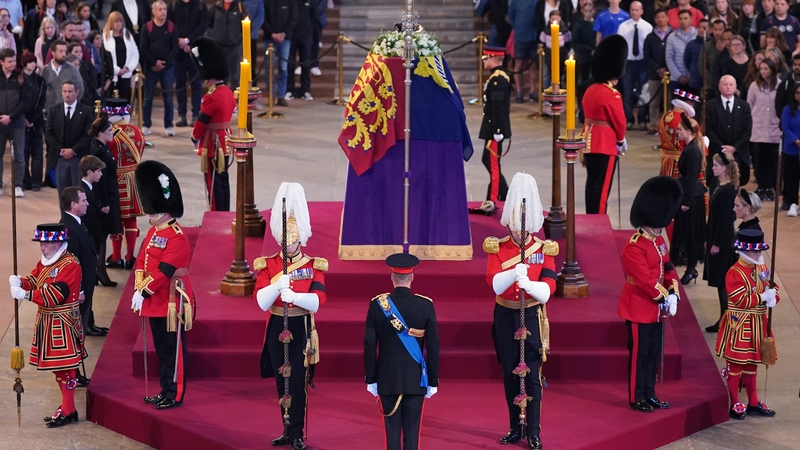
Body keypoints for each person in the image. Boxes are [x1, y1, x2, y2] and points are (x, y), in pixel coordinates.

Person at [484, 172, 557, 450]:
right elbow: (493, 283)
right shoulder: (498, 247)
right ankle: (516, 426)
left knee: (533, 377)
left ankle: (534, 430)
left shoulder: (544, 248)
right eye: (515, 228)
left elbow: (548, 289)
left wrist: (531, 284)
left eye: (522, 228)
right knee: (510, 374)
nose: (520, 233)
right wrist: (514, 273)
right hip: (506, 315)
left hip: (533, 316)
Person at [253, 182, 327, 450]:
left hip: (300, 324)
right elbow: (261, 302)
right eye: (286, 240)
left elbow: (318, 301)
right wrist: (276, 286)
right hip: (276, 325)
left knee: (297, 383)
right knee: (280, 380)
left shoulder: (312, 265)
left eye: (294, 240)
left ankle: (297, 431)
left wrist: (295, 297)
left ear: (301, 238)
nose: (290, 245)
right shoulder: (269, 264)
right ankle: (285, 428)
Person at [9, 223, 87, 428]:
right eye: (41, 243)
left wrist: (26, 295)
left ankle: (69, 410)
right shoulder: (48, 261)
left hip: (62, 322)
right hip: (48, 321)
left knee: (67, 369)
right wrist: (21, 282)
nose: (42, 247)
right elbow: (36, 279)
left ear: (58, 243)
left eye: (46, 243)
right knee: (58, 370)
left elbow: (56, 295)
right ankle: (67, 407)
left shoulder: (70, 264)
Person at [131, 159, 195, 410]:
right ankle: (164, 389)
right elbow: (141, 261)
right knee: (161, 350)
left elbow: (164, 271)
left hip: (170, 300)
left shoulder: (176, 237)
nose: (149, 215)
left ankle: (175, 393)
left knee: (173, 351)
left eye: (151, 211)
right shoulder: (155, 232)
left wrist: (143, 291)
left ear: (163, 211)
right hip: (154, 299)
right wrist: (138, 288)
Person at [618, 176, 682, 413]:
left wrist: (673, 291)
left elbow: (668, 267)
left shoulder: (658, 240)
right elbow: (645, 280)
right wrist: (666, 296)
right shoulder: (634, 245)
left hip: (657, 308)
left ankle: (649, 393)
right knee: (639, 353)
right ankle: (637, 396)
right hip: (639, 306)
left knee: (653, 352)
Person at [364, 252, 439, 450]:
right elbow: (433, 347)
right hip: (416, 379)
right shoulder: (425, 305)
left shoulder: (377, 305)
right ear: (412, 276)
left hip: (387, 377)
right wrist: (433, 381)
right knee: (412, 434)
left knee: (391, 433)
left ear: (391, 276)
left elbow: (369, 344)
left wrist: (371, 378)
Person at [714, 228, 778, 420]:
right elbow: (739, 299)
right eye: (755, 251)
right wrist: (762, 297)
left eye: (760, 251)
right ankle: (735, 402)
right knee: (735, 367)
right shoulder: (734, 272)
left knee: (752, 367)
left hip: (758, 323)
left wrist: (774, 296)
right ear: (744, 250)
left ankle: (753, 401)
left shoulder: (762, 268)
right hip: (740, 324)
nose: (759, 254)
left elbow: (770, 286)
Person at [581, 35, 627, 215]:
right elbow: (619, 122)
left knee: (592, 183)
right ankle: (599, 220)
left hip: (588, 141)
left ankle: (591, 217)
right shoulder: (611, 94)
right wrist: (621, 140)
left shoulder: (590, 89)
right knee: (602, 188)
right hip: (605, 143)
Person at [189, 37, 235, 211]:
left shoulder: (211, 96)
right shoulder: (228, 92)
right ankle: (224, 213)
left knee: (213, 183)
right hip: (226, 142)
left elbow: (201, 122)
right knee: (223, 181)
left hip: (213, 144)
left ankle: (216, 215)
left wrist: (194, 138)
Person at [102, 97, 144, 270]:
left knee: (116, 219)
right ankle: (130, 257)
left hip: (116, 180)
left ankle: (117, 257)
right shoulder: (137, 131)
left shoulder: (110, 134)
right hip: (134, 178)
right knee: (131, 220)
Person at [703, 152, 739, 332]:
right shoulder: (721, 185)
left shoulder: (727, 190)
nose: (713, 167)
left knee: (722, 282)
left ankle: (725, 321)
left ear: (725, 168)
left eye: (716, 165)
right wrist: (707, 240)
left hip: (723, 242)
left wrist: (715, 243)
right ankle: (723, 319)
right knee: (720, 282)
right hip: (716, 238)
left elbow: (725, 220)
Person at [475, 46, 511, 214]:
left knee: (493, 165)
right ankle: (505, 194)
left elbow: (498, 106)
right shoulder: (496, 77)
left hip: (494, 128)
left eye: (486, 58)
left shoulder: (498, 80)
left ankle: (495, 198)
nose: (484, 61)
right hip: (491, 127)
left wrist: (497, 129)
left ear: (495, 59)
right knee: (488, 161)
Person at [672, 114, 707, 284]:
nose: (677, 132)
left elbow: (692, 177)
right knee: (686, 234)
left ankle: (691, 269)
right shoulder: (689, 147)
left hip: (691, 199)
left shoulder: (693, 151)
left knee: (691, 235)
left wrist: (686, 202)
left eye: (679, 130)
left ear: (688, 131)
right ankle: (689, 267)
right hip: (688, 195)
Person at [44, 80, 92, 198]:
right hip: (60, 158)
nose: (67, 94)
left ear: (77, 92)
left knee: (78, 192)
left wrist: (73, 150)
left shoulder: (86, 111)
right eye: (64, 91)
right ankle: (65, 216)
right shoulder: (54, 110)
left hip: (79, 157)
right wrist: (62, 150)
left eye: (70, 91)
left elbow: (88, 135)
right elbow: (48, 133)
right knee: (63, 194)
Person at [88, 116, 121, 287]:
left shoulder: (103, 147)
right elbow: (99, 180)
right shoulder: (99, 150)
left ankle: (98, 271)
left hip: (109, 194)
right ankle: (99, 270)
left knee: (102, 235)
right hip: (105, 196)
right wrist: (104, 203)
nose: (112, 134)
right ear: (100, 133)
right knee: (101, 235)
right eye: (109, 131)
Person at [705, 75, 752, 190]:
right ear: (719, 87)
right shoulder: (710, 106)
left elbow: (747, 130)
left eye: (731, 85)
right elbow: (708, 129)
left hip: (738, 153)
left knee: (734, 186)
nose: (728, 87)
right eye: (725, 84)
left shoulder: (744, 106)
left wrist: (734, 147)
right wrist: (722, 148)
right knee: (715, 186)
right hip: (716, 152)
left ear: (736, 87)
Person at [139, 0, 178, 137]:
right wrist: (154, 63)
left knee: (168, 98)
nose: (163, 12)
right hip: (151, 68)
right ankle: (146, 124)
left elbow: (174, 48)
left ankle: (169, 125)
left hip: (167, 68)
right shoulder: (147, 27)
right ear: (153, 12)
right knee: (147, 98)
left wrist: (164, 63)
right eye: (160, 9)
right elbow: (143, 49)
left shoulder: (172, 27)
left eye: (164, 9)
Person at [167, 0, 207, 127]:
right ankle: (181, 114)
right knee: (180, 83)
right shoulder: (173, 6)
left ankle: (196, 114)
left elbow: (202, 26)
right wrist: (180, 42)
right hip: (178, 51)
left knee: (196, 83)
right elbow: (170, 26)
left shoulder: (201, 6)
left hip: (195, 49)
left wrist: (188, 40)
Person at [747, 57, 781, 201]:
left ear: (772, 70)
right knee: (759, 160)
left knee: (772, 160)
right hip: (758, 127)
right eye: (761, 69)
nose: (763, 71)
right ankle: (761, 186)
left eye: (766, 69)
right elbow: (749, 105)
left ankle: (770, 187)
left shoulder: (779, 85)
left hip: (774, 128)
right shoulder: (754, 86)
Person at [0, 47, 30, 199]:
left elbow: (26, 101)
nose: (13, 64)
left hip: (16, 121)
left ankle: (18, 185)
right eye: (9, 61)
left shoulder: (21, 78)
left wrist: (10, 116)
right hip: (0, 122)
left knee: (18, 154)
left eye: (14, 61)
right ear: (1, 62)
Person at [617, 1, 652, 130]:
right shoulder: (623, 26)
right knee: (627, 92)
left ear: (641, 11)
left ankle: (642, 119)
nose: (634, 12)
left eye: (637, 10)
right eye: (632, 10)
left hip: (642, 62)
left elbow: (649, 46)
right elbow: (619, 45)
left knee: (643, 92)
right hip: (629, 62)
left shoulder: (647, 27)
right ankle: (629, 119)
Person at [659, 86, 701, 179]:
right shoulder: (688, 122)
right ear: (690, 102)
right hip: (683, 164)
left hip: (666, 163)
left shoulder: (664, 116)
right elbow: (699, 147)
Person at [262, 0, 297, 107]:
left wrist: (283, 33)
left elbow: (293, 18)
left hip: (285, 39)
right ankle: (271, 96)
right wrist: (272, 34)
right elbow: (264, 19)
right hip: (269, 38)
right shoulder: (266, 2)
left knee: (283, 68)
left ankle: (281, 95)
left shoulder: (291, 2)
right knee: (269, 69)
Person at [207, 0, 247, 91]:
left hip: (234, 47)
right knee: (220, 77)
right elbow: (208, 22)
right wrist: (212, 34)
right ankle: (222, 100)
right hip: (218, 47)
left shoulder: (240, 7)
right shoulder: (216, 7)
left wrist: (238, 38)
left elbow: (247, 25)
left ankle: (233, 100)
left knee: (234, 77)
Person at [644, 8, 672, 135]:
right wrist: (658, 69)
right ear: (655, 20)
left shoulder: (673, 35)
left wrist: (667, 68)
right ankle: (654, 125)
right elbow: (647, 56)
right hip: (654, 74)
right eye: (658, 17)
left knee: (671, 101)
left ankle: (671, 125)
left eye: (663, 17)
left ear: (667, 18)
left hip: (671, 73)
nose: (660, 19)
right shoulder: (650, 37)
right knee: (654, 102)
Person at [101, 11, 138, 104]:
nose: (118, 24)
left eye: (120, 21)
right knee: (112, 102)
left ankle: (123, 118)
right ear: (111, 22)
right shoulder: (105, 36)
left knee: (124, 101)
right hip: (112, 75)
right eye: (116, 21)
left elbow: (135, 53)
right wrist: (116, 70)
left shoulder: (127, 34)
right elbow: (105, 56)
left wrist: (127, 68)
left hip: (126, 74)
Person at [22, 51, 45, 192]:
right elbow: (18, 101)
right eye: (30, 61)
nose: (33, 64)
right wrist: (24, 118)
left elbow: (41, 101)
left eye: (34, 61)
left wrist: (32, 119)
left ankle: (36, 181)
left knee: (37, 152)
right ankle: (25, 180)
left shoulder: (40, 80)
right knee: (23, 152)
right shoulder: (19, 79)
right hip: (21, 120)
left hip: (36, 120)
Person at [507, 0, 537, 103]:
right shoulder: (515, 2)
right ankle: (519, 91)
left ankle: (533, 91)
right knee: (518, 65)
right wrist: (517, 28)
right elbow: (510, 16)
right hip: (520, 37)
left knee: (532, 65)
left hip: (533, 36)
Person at [40, 39, 83, 111]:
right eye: (61, 51)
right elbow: (41, 91)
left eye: (65, 51)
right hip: (49, 111)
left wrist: (72, 104)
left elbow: (80, 89)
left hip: (68, 111)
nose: (64, 54)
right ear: (53, 53)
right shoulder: (45, 70)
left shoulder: (72, 69)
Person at [286, 0, 314, 101]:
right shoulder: (291, 2)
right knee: (290, 64)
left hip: (306, 36)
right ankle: (289, 90)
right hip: (291, 35)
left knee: (306, 64)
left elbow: (314, 17)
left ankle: (305, 90)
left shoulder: (309, 2)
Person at [665, 10, 697, 91]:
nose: (683, 21)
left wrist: (692, 74)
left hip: (694, 79)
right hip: (676, 79)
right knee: (677, 103)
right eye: (680, 19)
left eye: (686, 18)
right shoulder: (672, 37)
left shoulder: (697, 35)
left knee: (692, 103)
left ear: (691, 20)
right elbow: (669, 58)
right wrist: (679, 76)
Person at [781, 82, 800, 215]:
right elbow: (785, 127)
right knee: (792, 178)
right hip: (792, 148)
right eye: (798, 93)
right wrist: (796, 140)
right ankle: (793, 203)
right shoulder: (788, 109)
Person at [774, 54, 800, 125]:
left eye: (799, 65)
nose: (797, 67)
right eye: (795, 64)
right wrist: (787, 120)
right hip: (789, 125)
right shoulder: (785, 83)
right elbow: (778, 105)